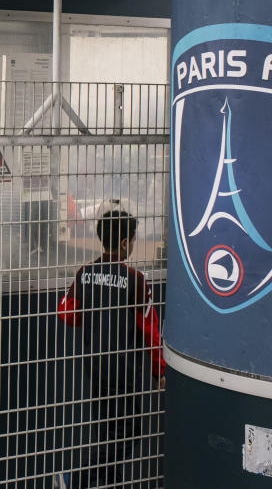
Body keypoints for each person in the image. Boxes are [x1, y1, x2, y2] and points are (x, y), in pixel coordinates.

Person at [57, 205, 165, 489]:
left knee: (106, 434)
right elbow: (151, 331)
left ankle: (112, 484)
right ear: (125, 243)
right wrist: (159, 371)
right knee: (129, 432)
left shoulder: (85, 273)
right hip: (124, 375)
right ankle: (75, 479)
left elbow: (67, 314)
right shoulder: (136, 281)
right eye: (133, 240)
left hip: (96, 372)